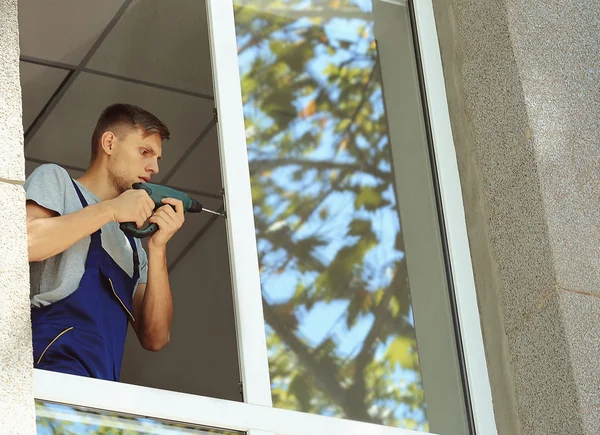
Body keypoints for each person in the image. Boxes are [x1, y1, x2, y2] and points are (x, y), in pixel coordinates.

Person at [25, 103, 184, 381]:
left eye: (158, 159)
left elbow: (155, 337)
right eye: (145, 152)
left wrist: (157, 248)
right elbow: (25, 243)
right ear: (109, 143)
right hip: (45, 371)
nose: (154, 167)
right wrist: (109, 211)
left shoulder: (133, 245)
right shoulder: (56, 180)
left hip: (98, 389)